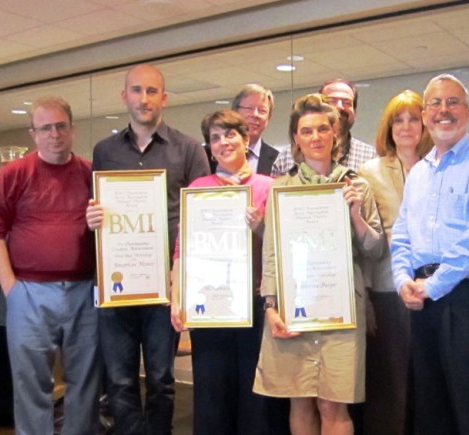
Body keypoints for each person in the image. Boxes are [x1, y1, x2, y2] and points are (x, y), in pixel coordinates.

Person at [86, 64, 210, 435]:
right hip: (117, 284)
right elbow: (98, 206)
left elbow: (200, 213)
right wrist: (91, 216)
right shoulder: (104, 151)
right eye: (136, 90)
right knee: (120, 380)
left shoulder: (188, 149)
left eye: (152, 91)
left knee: (161, 379)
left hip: (164, 287)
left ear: (164, 98)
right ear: (124, 96)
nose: (144, 99)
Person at [390, 73, 469, 434]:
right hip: (423, 300)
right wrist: (402, 282)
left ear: (468, 112)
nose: (443, 111)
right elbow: (402, 234)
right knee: (430, 410)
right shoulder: (419, 173)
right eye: (435, 104)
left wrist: (433, 284)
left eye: (452, 102)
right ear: (426, 114)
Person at [253, 93, 384, 435]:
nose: (315, 137)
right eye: (306, 131)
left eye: (322, 129)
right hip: (294, 307)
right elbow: (271, 254)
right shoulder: (282, 189)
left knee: (332, 403)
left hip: (340, 310)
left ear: (335, 133)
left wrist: (355, 216)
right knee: (300, 399)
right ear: (296, 137)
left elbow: (375, 250)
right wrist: (270, 307)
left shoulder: (356, 186)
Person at [0, 96, 100, 435]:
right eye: (46, 128)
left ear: (72, 130)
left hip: (84, 291)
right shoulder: (14, 174)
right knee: (30, 382)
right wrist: (11, 289)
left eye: (61, 126)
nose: (54, 134)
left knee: (85, 380)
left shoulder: (91, 174)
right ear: (34, 133)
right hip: (28, 292)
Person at [169, 109, 273, 435]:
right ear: (209, 147)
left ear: (246, 139)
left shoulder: (268, 187)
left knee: (254, 396)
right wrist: (176, 299)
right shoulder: (199, 188)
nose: (223, 142)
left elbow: (281, 249)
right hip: (209, 308)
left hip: (254, 307)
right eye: (215, 137)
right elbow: (182, 252)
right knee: (211, 397)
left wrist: (260, 227)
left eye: (230, 134)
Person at [356, 89, 432, 435]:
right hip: (387, 291)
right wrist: (367, 301)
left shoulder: (440, 165)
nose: (406, 126)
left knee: (429, 378)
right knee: (391, 386)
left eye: (413, 118)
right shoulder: (369, 172)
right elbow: (364, 241)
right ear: (388, 126)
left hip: (435, 289)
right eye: (398, 119)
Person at [271, 79, 376, 176]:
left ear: (355, 111)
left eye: (347, 102)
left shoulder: (371, 157)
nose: (339, 106)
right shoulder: (284, 159)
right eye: (332, 101)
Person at [202, 84, 279, 175]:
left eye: (262, 111)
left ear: (269, 117)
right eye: (249, 108)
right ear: (235, 112)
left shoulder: (277, 159)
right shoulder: (205, 155)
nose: (255, 115)